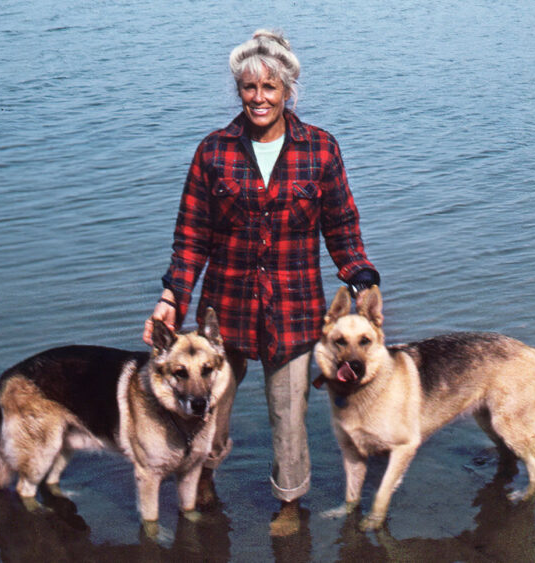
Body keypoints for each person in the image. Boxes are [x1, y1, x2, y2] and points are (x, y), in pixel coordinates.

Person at [143, 29, 379, 536]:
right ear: (239, 91)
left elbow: (342, 229)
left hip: (294, 309)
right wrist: (170, 299)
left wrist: (362, 279)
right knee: (207, 411)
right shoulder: (213, 152)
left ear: (288, 90)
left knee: (289, 418)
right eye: (249, 88)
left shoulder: (320, 149)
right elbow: (190, 241)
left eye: (270, 88)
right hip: (222, 316)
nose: (259, 98)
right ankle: (203, 482)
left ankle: (290, 506)